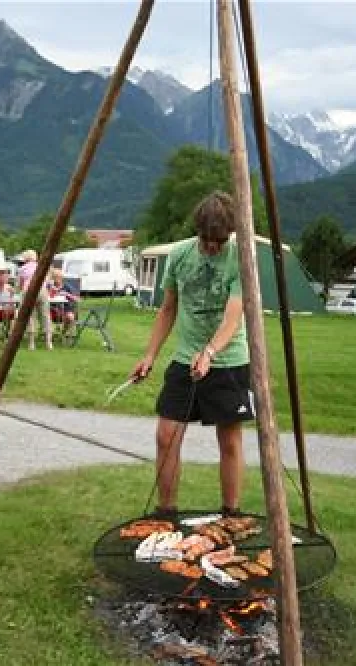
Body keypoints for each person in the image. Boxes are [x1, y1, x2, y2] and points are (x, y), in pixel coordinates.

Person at [129, 191, 254, 517]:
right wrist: (150, 356)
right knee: (166, 435)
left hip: (229, 361)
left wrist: (210, 352)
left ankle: (231, 513)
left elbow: (233, 315)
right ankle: (166, 512)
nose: (213, 246)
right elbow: (168, 309)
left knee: (229, 441)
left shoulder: (240, 257)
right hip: (185, 359)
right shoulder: (180, 256)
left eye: (220, 240)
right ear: (197, 230)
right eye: (207, 239)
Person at [17, 249, 53, 350]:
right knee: (45, 316)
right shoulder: (43, 267)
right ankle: (48, 342)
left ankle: (31, 343)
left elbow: (19, 285)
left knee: (30, 317)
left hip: (28, 291)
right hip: (42, 291)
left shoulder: (22, 269)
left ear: (25, 258)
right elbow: (49, 282)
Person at [49, 268, 80, 336]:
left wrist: (66, 294)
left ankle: (63, 332)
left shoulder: (67, 287)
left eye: (58, 277)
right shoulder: (50, 287)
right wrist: (52, 291)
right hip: (52, 310)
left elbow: (77, 299)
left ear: (61, 278)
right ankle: (48, 335)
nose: (57, 280)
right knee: (43, 314)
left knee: (70, 317)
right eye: (55, 278)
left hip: (66, 309)